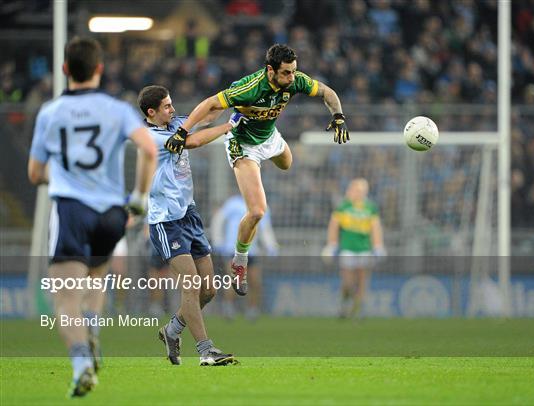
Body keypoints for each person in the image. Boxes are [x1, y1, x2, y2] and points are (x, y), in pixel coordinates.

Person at [165, 43, 350, 296]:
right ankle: (240, 261)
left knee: (288, 163)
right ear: (270, 71)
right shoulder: (250, 88)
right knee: (257, 211)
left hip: (269, 137)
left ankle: (261, 143)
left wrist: (338, 116)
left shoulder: (295, 81)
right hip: (243, 145)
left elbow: (328, 92)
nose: (292, 77)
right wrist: (183, 131)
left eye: (294, 71)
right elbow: (209, 105)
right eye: (286, 73)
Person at [28, 37, 157, 397]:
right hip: (112, 213)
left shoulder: (50, 113)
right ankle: (93, 329)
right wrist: (139, 197)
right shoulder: (117, 110)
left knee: (65, 294)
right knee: (96, 279)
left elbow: (35, 174)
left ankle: (82, 362)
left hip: (72, 209)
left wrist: (64, 175)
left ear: (66, 70)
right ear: (100, 69)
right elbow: (148, 148)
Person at [137, 84, 245, 366]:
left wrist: (238, 100)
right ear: (151, 112)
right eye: (167, 106)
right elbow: (194, 141)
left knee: (208, 290)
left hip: (189, 214)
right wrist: (230, 126)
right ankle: (206, 351)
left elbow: (206, 116)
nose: (172, 110)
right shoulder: (150, 137)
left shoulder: (173, 123)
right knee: (191, 286)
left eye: (172, 104)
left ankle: (171, 330)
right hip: (166, 222)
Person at [322, 178, 385, 318]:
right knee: (348, 283)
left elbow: (376, 227)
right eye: (356, 190)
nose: (358, 193)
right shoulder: (343, 207)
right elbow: (334, 226)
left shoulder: (370, 207)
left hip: (364, 249)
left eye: (361, 190)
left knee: (362, 281)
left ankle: (358, 310)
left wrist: (378, 245)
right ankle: (345, 303)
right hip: (348, 249)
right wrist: (332, 244)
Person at [211, 194, 278, 320]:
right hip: (233, 248)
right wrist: (218, 241)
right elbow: (218, 221)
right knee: (235, 280)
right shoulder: (232, 203)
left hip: (252, 250)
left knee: (255, 282)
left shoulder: (262, 205)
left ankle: (252, 309)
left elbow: (266, 228)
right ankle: (228, 307)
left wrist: (271, 245)